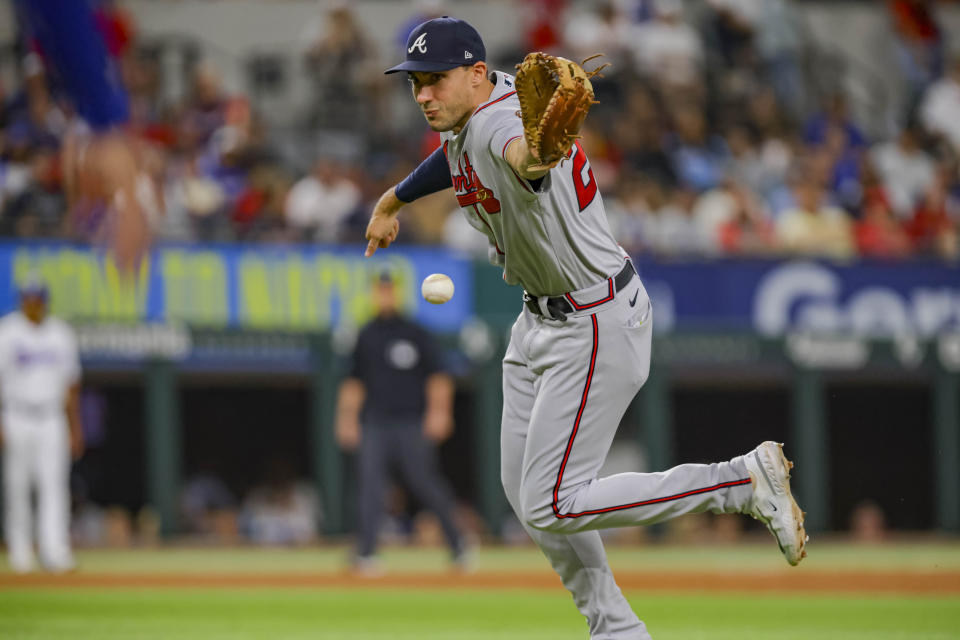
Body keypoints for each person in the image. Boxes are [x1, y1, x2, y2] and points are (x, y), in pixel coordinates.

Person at [364, 17, 807, 639]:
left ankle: (735, 482)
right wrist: (394, 200)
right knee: (525, 496)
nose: (423, 95)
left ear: (475, 73)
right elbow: (453, 158)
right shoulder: (483, 108)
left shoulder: (499, 124)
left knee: (553, 500)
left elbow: (524, 156)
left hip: (594, 319)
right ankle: (616, 630)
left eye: (434, 80)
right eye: (415, 83)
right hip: (539, 319)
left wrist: (539, 153)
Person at [335, 271, 466, 573]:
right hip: (375, 422)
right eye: (380, 290)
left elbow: (438, 377)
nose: (384, 296)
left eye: (389, 290)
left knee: (426, 483)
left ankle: (459, 545)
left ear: (397, 293)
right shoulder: (366, 334)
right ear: (373, 293)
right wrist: (346, 419)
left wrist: (440, 412)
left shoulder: (415, 332)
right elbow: (354, 382)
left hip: (411, 422)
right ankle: (366, 553)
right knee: (370, 486)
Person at [0, 277, 83, 573]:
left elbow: (72, 384)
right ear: (21, 300)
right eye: (28, 298)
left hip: (51, 416)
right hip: (16, 414)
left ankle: (55, 552)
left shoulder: (60, 333)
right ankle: (21, 554)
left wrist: (75, 427)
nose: (33, 303)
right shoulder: (7, 331)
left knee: (55, 486)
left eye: (38, 298)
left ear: (45, 300)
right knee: (17, 486)